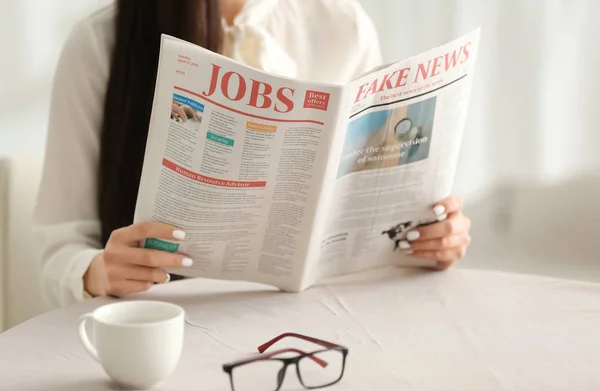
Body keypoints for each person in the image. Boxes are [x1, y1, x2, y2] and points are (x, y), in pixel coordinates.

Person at [34, 0, 472, 308]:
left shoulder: (343, 24)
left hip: (316, 327)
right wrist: (98, 272)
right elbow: (59, 251)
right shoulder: (99, 44)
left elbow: (368, 206)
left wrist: (429, 237)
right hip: (164, 329)